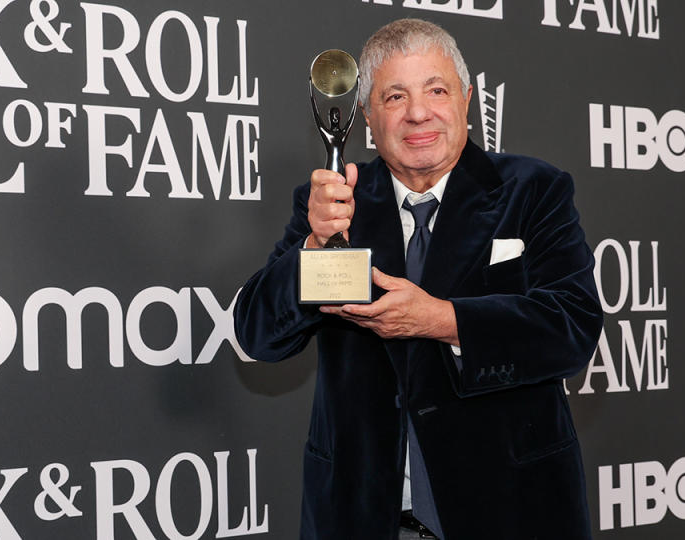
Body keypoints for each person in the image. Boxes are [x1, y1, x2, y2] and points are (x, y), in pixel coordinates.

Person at [233, 18, 603, 540]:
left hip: (513, 514)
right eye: (394, 96)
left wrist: (443, 320)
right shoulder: (335, 203)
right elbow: (256, 336)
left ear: (466, 98)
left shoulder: (534, 190)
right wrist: (313, 246)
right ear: (365, 114)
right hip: (361, 519)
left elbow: (573, 326)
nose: (418, 113)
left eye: (436, 89)